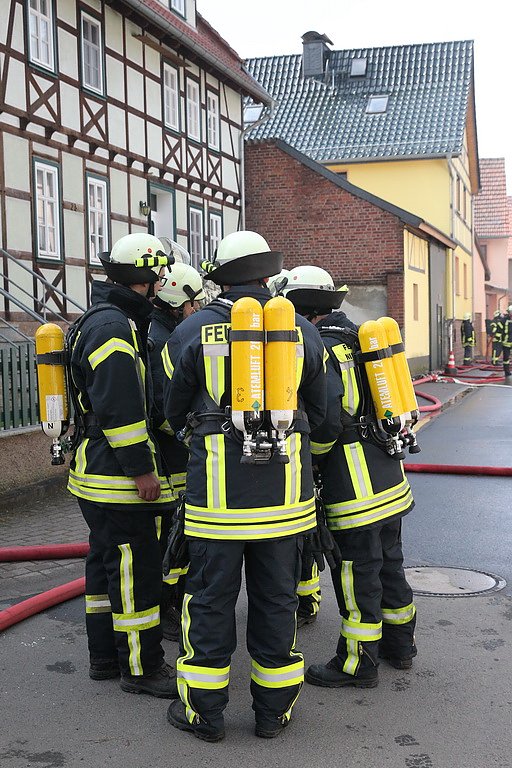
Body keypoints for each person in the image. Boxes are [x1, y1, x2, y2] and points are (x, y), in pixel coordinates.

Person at [162, 231, 326, 741]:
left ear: (220, 276)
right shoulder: (301, 331)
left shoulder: (190, 332)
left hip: (215, 503)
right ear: (266, 274)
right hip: (285, 503)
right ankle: (273, 712)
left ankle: (204, 714)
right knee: (277, 601)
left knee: (209, 601)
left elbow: (169, 412)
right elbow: (320, 416)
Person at [282, 265, 417, 690]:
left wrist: (314, 463)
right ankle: (401, 645)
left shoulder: (321, 349)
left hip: (353, 487)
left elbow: (325, 425)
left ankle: (358, 664)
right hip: (389, 479)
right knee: (390, 564)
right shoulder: (362, 338)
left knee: (356, 573)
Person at [66, 232, 179, 698]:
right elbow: (120, 409)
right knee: (135, 573)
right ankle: (142, 667)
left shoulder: (102, 319)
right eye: (159, 278)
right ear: (147, 279)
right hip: (118, 479)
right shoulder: (114, 329)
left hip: (94, 473)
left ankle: (105, 658)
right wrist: (142, 471)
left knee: (103, 568)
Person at [148, 256, 205, 641]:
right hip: (170, 454)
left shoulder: (168, 331)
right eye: (195, 302)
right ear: (182, 303)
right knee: (171, 531)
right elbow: (164, 407)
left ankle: (174, 597)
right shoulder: (162, 341)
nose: (199, 308)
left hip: (176, 452)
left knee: (176, 529)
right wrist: (192, 433)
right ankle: (166, 605)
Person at [502, 305, 512, 378]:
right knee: (506, 358)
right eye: (510, 312)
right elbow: (499, 327)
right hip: (506, 342)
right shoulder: (504, 319)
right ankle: (507, 372)